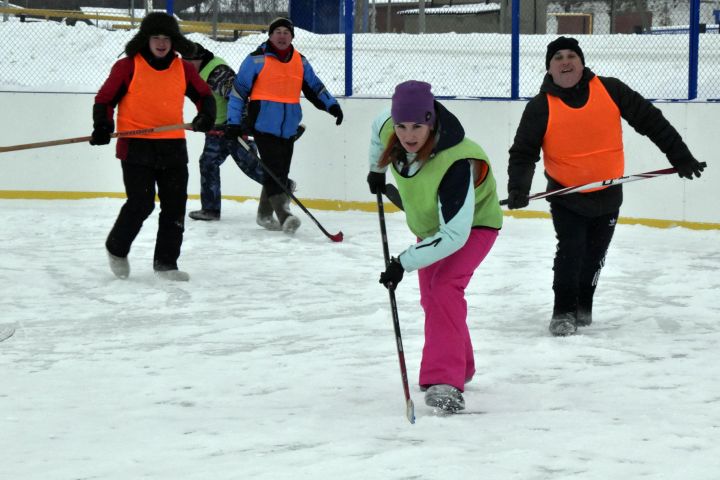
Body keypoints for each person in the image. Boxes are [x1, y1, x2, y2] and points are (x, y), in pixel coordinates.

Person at [507, 36, 706, 336]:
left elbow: (650, 121)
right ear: (549, 68)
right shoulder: (540, 107)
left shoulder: (610, 89)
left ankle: (583, 307)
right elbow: (523, 153)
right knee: (571, 251)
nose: (565, 61)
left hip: (610, 193)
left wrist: (680, 156)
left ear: (582, 61)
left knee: (595, 255)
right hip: (567, 195)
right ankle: (563, 311)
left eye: (571, 55)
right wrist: (518, 189)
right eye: (557, 57)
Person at [367, 81, 503, 413]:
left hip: (474, 227)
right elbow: (376, 127)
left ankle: (445, 380)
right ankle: (461, 365)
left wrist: (403, 262)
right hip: (433, 230)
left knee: (443, 287)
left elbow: (455, 235)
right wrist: (376, 169)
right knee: (432, 297)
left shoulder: (456, 161)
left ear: (431, 121)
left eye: (417, 126)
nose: (408, 134)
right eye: (402, 126)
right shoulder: (390, 127)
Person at [90, 12, 215, 281]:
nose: (161, 43)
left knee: (174, 206)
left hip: (172, 146)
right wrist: (102, 125)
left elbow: (204, 96)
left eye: (166, 38)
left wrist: (205, 116)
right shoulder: (127, 66)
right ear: (145, 39)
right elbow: (105, 99)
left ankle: (166, 263)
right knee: (141, 203)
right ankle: (117, 247)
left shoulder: (184, 69)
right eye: (155, 37)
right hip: (136, 146)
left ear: (175, 41)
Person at [225, 17, 343, 234]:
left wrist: (332, 106)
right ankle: (284, 214)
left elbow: (315, 88)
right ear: (270, 35)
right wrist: (233, 122)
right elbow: (238, 93)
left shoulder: (301, 62)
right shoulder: (256, 60)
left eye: (286, 32)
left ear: (292, 37)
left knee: (278, 170)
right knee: (275, 171)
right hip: (262, 125)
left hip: (288, 127)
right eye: (277, 32)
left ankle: (263, 214)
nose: (281, 36)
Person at [184, 42, 299, 229]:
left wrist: (239, 125)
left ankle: (283, 184)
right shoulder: (197, 73)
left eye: (189, 62)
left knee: (252, 167)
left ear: (198, 60)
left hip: (231, 129)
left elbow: (237, 97)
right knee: (207, 163)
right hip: (216, 129)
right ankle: (210, 209)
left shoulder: (217, 73)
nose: (186, 66)